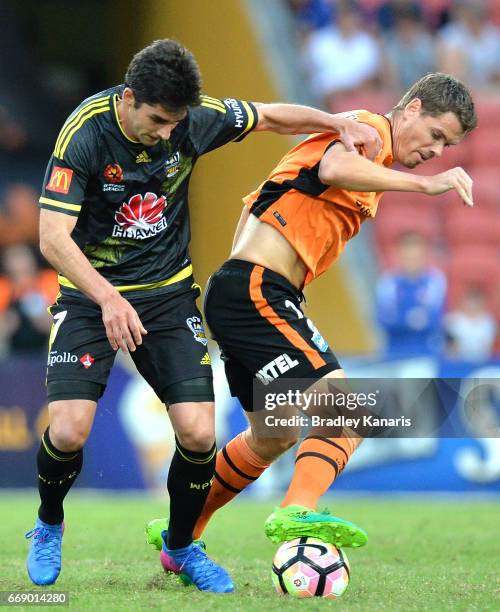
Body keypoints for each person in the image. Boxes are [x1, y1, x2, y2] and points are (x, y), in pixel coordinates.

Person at [24, 38, 382, 592]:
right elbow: (52, 238)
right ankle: (49, 524)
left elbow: (269, 117)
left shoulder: (193, 119)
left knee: (196, 433)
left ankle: (182, 545)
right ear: (128, 98)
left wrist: (334, 120)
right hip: (91, 295)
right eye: (159, 121)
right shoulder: (85, 135)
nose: (169, 133)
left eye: (176, 123)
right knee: (69, 430)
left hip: (167, 295)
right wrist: (108, 298)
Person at [146, 72, 477, 556]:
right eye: (436, 135)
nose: (437, 152)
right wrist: (426, 187)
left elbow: (256, 200)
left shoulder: (376, 160)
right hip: (259, 289)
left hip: (248, 289)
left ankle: (181, 531)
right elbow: (332, 170)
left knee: (272, 437)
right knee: (348, 410)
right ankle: (296, 509)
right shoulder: (366, 128)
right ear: (411, 109)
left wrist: (242, 269)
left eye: (447, 146)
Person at [376, 232, 447, 357]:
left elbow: (436, 319)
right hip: (394, 353)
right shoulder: (388, 282)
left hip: (427, 354)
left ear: (424, 257)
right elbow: (383, 320)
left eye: (416, 258)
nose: (412, 263)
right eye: (408, 258)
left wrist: (403, 317)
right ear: (400, 256)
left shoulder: (435, 280)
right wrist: (412, 319)